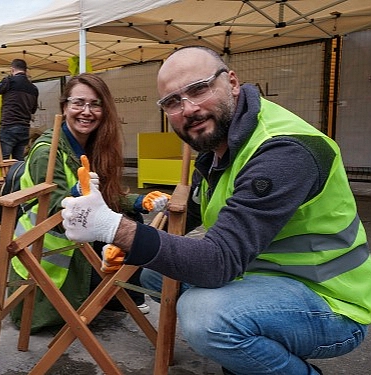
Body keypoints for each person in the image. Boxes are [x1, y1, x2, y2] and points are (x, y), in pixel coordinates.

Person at [60, 46, 371, 375]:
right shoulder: (218, 147)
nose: (189, 109)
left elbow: (217, 262)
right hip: (264, 277)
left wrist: (113, 228)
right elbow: (193, 210)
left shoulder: (282, 151)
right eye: (173, 102)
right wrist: (131, 244)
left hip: (331, 302)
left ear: (232, 82)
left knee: (204, 315)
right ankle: (246, 356)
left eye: (199, 89)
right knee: (154, 273)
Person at [10, 73, 170, 332]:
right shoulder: (46, 152)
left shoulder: (94, 145)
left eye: (95, 104)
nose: (87, 111)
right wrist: (76, 193)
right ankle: (119, 293)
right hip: (50, 262)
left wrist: (141, 200)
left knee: (134, 220)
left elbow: (106, 196)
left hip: (78, 247)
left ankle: (118, 294)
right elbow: (53, 214)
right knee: (129, 233)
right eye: (78, 103)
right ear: (64, 106)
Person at [0, 59, 39, 161]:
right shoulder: (33, 88)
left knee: (3, 160)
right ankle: (16, 177)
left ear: (12, 69)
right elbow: (33, 110)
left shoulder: (10, 81)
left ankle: (6, 177)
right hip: (24, 128)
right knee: (19, 161)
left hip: (9, 126)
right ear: (26, 71)